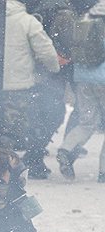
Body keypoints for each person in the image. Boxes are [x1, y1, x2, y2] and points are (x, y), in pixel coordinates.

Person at [3, 0, 60, 177]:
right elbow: (46, 52)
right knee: (17, 128)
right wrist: (54, 67)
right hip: (19, 85)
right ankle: (8, 169)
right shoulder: (28, 21)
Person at [57, 0, 105, 182]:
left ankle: (66, 148)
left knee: (87, 122)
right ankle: (103, 172)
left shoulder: (85, 19)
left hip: (83, 78)